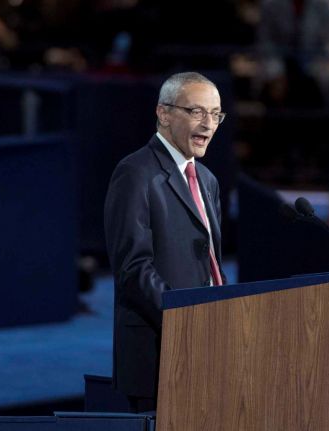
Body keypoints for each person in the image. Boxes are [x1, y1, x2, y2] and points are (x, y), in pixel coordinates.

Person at [104, 71, 226, 412]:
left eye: (215, 114)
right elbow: (133, 268)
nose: (209, 124)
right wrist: (185, 319)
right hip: (160, 350)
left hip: (208, 345)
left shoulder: (207, 180)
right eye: (197, 112)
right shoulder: (136, 172)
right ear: (164, 113)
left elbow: (211, 264)